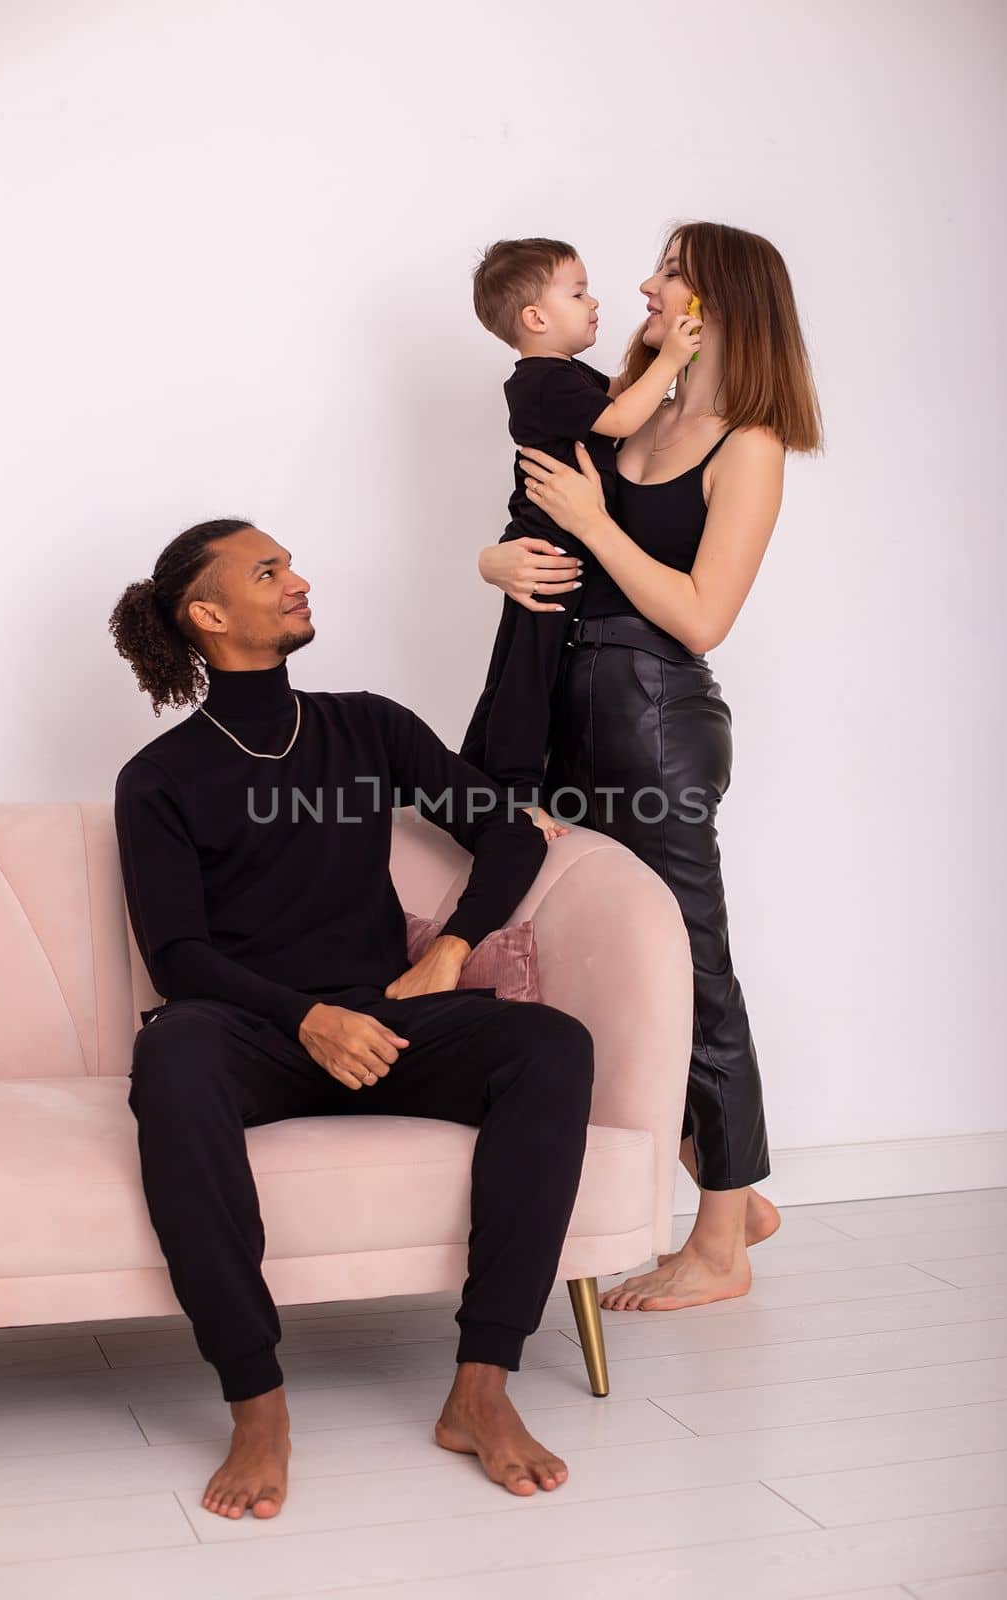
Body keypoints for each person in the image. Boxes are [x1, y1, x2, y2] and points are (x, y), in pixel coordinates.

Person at [107, 518, 595, 1518]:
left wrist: (451, 950)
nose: (298, 581)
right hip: (250, 1035)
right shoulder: (157, 778)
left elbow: (508, 838)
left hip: (386, 1022)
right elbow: (178, 957)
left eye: (288, 564)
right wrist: (304, 1019)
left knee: (550, 1045)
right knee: (172, 1056)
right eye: (268, 570)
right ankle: (257, 1404)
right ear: (208, 615)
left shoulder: (366, 725)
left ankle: (479, 1387)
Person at [474, 220, 825, 1314]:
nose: (639, 283)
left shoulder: (748, 442)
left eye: (666, 272)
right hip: (564, 703)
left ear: (711, 301)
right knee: (582, 953)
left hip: (651, 712)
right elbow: (547, 525)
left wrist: (595, 523)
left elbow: (701, 614)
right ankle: (721, 1191)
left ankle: (720, 1242)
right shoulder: (635, 409)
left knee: (692, 971)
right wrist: (493, 553)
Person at [459, 237, 702, 830]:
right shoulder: (538, 379)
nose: (595, 301)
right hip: (548, 548)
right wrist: (670, 360)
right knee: (527, 672)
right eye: (578, 292)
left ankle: (472, 778)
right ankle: (514, 792)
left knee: (518, 664)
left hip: (565, 545)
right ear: (536, 319)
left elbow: (619, 395)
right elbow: (619, 418)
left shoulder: (565, 375)